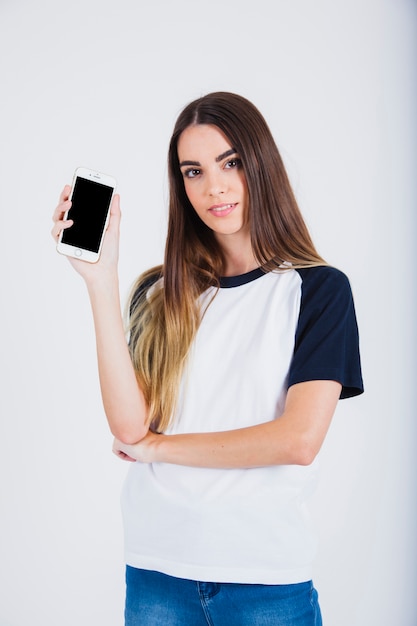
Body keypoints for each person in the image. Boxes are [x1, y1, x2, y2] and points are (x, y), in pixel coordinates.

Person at [52, 92, 363, 626]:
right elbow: (131, 426)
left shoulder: (318, 291)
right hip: (156, 570)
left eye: (231, 163)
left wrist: (158, 447)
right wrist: (101, 281)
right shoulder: (160, 292)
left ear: (261, 164)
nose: (213, 186)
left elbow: (298, 440)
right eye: (193, 171)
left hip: (265, 579)